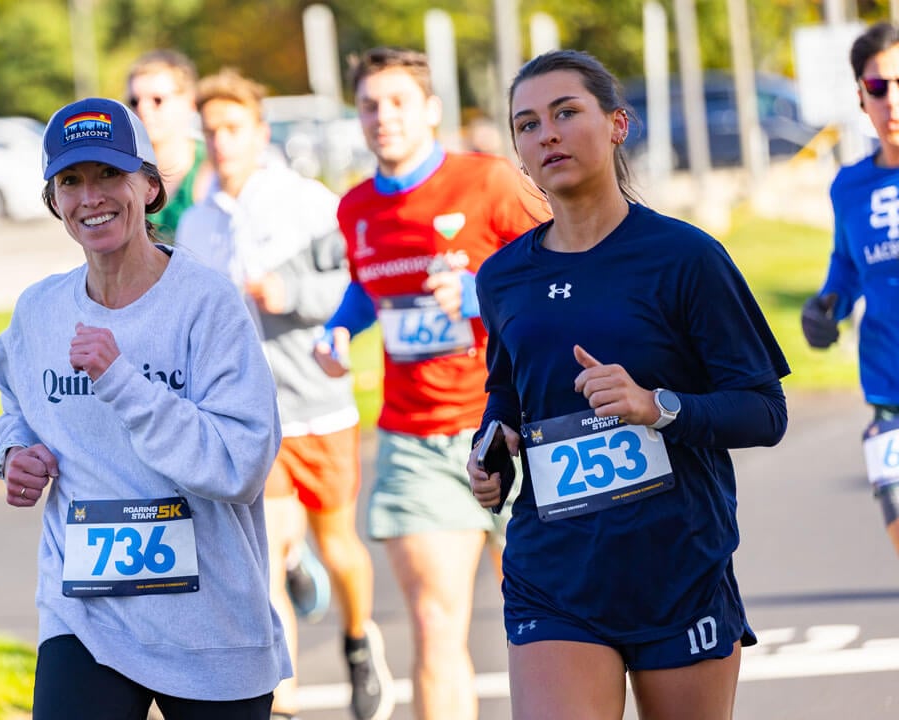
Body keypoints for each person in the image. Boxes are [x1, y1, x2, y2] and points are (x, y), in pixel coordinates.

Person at [467, 49, 789, 719]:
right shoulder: (502, 277)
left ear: (618, 124)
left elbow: (764, 412)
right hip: (554, 575)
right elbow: (508, 394)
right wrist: (490, 447)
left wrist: (656, 407)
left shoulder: (686, 257)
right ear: (519, 153)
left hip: (676, 566)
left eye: (566, 113)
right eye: (527, 124)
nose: (547, 134)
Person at [0, 96, 290, 720]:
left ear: (149, 186)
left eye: (109, 175)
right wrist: (16, 452)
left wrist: (122, 380)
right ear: (54, 202)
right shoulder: (40, 311)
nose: (90, 197)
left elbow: (240, 466)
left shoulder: (206, 303)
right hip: (86, 615)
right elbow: (15, 396)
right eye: (70, 181)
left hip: (210, 619)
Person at [312, 47, 551, 720]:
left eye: (398, 103)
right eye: (369, 105)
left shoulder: (492, 183)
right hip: (415, 437)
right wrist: (338, 327)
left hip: (516, 425)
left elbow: (565, 259)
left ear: (431, 111)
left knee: (548, 619)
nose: (382, 118)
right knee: (434, 623)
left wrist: (483, 295)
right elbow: (370, 284)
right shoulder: (357, 207)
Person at [177, 68, 393, 720]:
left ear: (261, 133)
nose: (221, 142)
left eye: (233, 128)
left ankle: (359, 640)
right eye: (210, 131)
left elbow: (362, 289)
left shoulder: (309, 204)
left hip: (317, 407)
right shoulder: (196, 225)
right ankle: (285, 702)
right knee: (262, 558)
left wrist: (291, 294)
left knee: (341, 547)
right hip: (245, 418)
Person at [801, 21, 899, 560]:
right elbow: (846, 265)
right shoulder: (849, 187)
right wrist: (826, 307)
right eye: (878, 87)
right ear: (861, 98)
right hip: (890, 390)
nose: (891, 100)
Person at [126, 49, 214, 242]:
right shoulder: (125, 170)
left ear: (190, 102)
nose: (143, 109)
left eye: (157, 100)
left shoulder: (214, 166)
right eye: (134, 101)